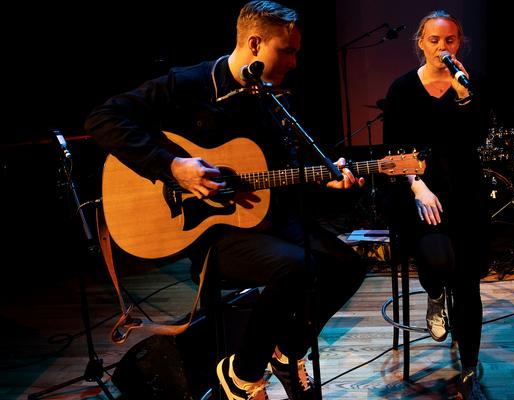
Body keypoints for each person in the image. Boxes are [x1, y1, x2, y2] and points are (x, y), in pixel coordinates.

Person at [86, 2, 369, 399]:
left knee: (348, 265)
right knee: (296, 267)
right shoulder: (190, 85)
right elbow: (103, 118)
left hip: (265, 221)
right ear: (255, 43)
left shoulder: (270, 100)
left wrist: (324, 179)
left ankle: (287, 352)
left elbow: (280, 173)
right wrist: (172, 167)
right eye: (286, 51)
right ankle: (242, 375)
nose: (294, 61)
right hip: (211, 235)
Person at [380, 10, 490, 400]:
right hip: (418, 191)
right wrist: (417, 187)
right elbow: (393, 153)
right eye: (434, 40)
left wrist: (464, 94)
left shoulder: (470, 87)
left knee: (469, 281)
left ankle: (470, 369)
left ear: (459, 45)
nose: (442, 48)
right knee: (440, 263)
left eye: (450, 41)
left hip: (465, 192)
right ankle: (434, 292)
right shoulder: (402, 89)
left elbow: (480, 136)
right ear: (420, 43)